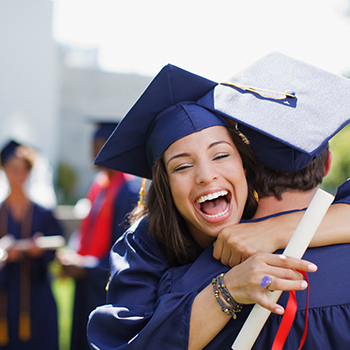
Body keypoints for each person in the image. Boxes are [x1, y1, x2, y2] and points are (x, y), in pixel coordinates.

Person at [87, 59, 350, 349]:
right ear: (164, 186)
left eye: (221, 155)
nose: (206, 175)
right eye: (182, 166)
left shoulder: (260, 225)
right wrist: (227, 289)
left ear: (246, 167)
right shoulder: (147, 248)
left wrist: (274, 230)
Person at [56, 121, 141, 350]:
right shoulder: (99, 186)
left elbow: (126, 252)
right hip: (87, 283)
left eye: (98, 146)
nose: (92, 153)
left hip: (105, 289)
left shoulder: (129, 191)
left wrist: (86, 266)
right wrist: (73, 257)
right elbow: (86, 232)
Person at [0, 140, 63, 350]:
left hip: (36, 295)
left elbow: (55, 248)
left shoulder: (43, 214)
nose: (20, 175)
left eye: (25, 169)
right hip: (5, 296)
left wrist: (40, 251)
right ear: (3, 169)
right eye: (14, 169)